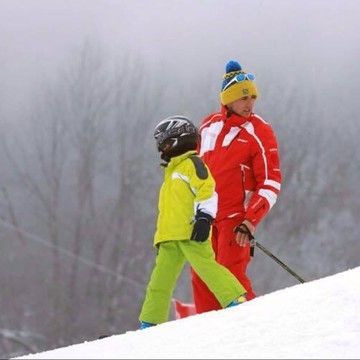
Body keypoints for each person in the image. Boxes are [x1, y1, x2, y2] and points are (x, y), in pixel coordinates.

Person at [138, 115, 247, 329]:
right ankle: (149, 322)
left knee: (207, 268)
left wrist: (204, 218)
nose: (162, 149)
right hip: (169, 238)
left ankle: (236, 299)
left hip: (190, 232)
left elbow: (207, 191)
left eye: (165, 143)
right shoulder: (172, 172)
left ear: (179, 139)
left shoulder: (192, 164)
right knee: (159, 281)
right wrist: (160, 238)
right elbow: (169, 208)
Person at [190, 60, 282, 314]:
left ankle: (252, 330)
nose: (249, 103)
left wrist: (250, 220)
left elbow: (270, 182)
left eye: (252, 97)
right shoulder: (208, 126)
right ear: (227, 99)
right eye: (243, 97)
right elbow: (195, 171)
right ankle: (210, 338)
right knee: (202, 277)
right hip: (205, 218)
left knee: (230, 276)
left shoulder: (259, 130)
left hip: (235, 220)